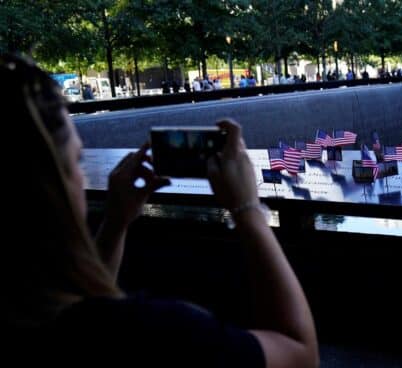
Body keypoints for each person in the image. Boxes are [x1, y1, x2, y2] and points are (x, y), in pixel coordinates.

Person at [1, 53, 319, 367]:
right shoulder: (153, 334)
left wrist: (115, 223)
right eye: (76, 160)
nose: (82, 175)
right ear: (52, 188)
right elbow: (300, 354)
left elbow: (84, 303)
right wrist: (247, 210)